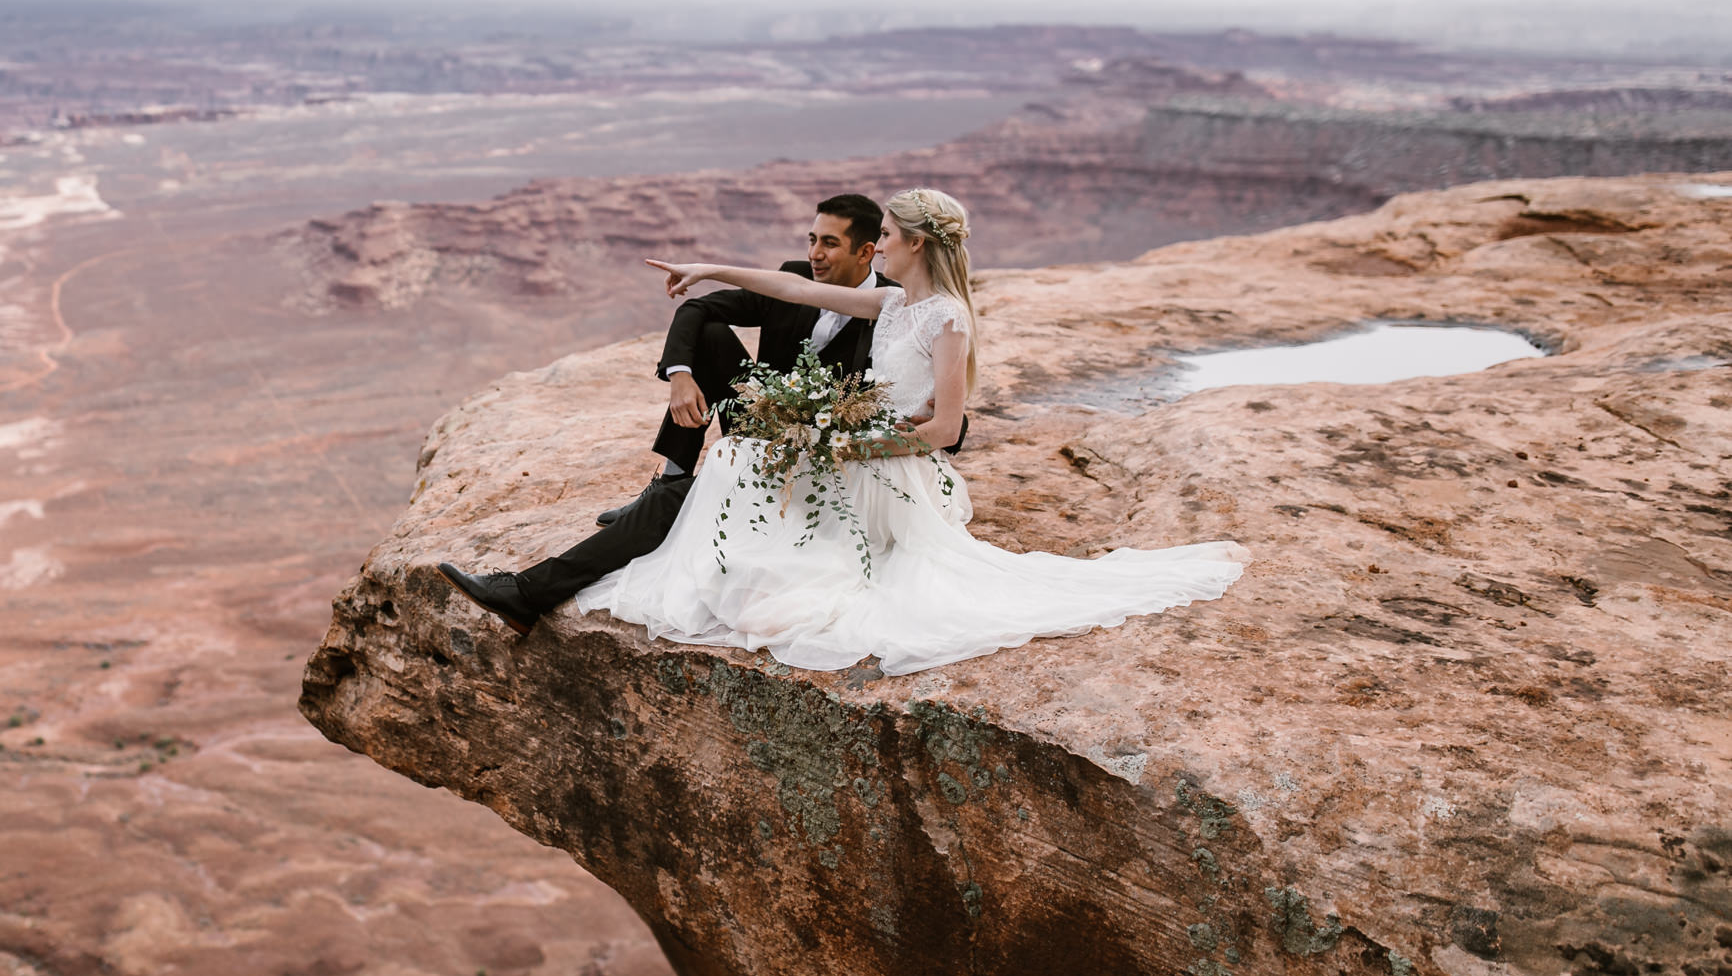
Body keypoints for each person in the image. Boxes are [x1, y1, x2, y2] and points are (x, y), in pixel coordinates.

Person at [565, 188, 1249, 673]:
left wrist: (843, 443)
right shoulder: (890, 301)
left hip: (890, 471)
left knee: (812, 593)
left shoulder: (948, 318)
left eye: (886, 235)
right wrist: (707, 267)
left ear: (914, 243)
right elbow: (796, 291)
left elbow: (946, 428)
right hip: (853, 454)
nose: (878, 244)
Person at [441, 193, 909, 634]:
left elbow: (926, 411)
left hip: (812, 456)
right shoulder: (793, 277)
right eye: (811, 239)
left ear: (867, 251)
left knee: (673, 509)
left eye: (830, 243)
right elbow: (700, 307)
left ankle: (528, 593)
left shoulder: (891, 306)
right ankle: (673, 476)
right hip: (763, 421)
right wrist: (680, 377)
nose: (815, 253)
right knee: (707, 336)